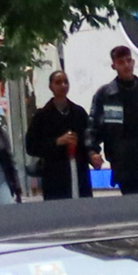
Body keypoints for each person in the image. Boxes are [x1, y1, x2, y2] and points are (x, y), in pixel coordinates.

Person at [87, 46, 138, 193]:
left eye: (128, 61)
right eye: (121, 62)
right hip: (121, 158)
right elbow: (93, 127)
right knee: (129, 199)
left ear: (133, 62)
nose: (126, 65)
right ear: (114, 66)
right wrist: (92, 152)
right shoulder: (105, 95)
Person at [25, 70, 92, 200]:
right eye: (58, 82)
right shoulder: (42, 116)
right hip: (54, 172)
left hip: (78, 168)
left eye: (66, 82)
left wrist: (92, 154)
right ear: (51, 86)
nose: (63, 85)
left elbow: (89, 138)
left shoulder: (79, 112)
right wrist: (57, 142)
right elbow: (31, 146)